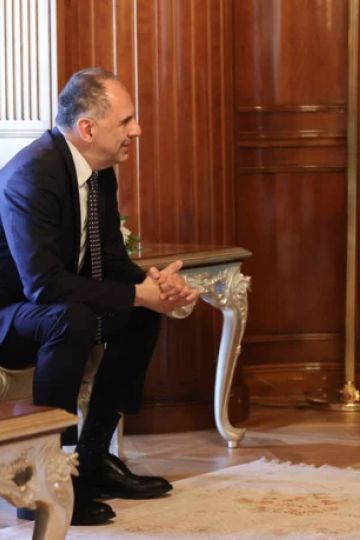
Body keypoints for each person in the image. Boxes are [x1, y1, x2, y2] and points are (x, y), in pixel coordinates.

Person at [0, 67, 198, 525]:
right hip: (10, 314)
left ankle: (91, 461)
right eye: (126, 121)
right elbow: (43, 284)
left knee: (140, 312)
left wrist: (154, 286)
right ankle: (42, 480)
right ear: (87, 128)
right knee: (73, 317)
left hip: (48, 306)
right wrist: (135, 293)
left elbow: (109, 259)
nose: (137, 130)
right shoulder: (33, 174)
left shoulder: (99, 172)